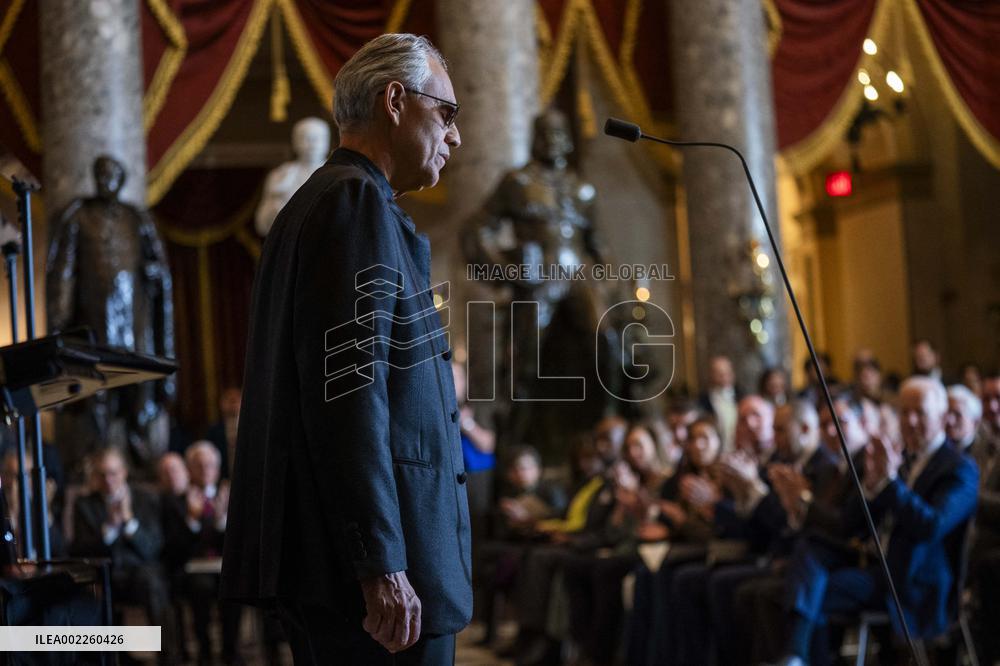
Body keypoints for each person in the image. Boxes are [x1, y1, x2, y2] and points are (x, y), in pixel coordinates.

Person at [221, 34, 466, 666]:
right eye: (446, 113)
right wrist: (380, 561)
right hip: (378, 581)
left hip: (358, 569)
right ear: (394, 100)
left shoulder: (332, 204)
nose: (454, 136)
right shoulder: (351, 203)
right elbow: (349, 399)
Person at [71, 448, 175, 664]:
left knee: (152, 583)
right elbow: (78, 550)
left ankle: (168, 656)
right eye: (102, 474)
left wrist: (129, 523)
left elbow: (153, 548)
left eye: (113, 472)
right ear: (94, 477)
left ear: (124, 472)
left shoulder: (146, 498)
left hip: (141, 574)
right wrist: (107, 529)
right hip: (105, 574)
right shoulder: (84, 505)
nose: (108, 479)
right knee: (89, 591)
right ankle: (115, 657)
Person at [255, 117, 332, 236]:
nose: (312, 144)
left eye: (317, 138)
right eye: (306, 138)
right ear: (295, 141)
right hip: (290, 241)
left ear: (327, 141)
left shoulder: (338, 174)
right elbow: (262, 225)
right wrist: (274, 206)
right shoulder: (280, 175)